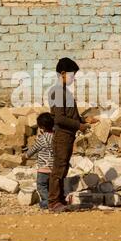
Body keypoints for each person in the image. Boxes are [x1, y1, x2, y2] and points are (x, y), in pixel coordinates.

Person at [47, 57, 97, 212]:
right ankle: (54, 202)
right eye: (72, 75)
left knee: (63, 168)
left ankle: (60, 200)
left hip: (68, 135)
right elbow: (60, 118)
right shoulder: (57, 92)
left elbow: (69, 115)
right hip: (62, 135)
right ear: (63, 73)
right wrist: (79, 125)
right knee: (59, 168)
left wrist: (84, 119)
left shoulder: (64, 91)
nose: (73, 79)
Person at [24, 112, 55, 209]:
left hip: (43, 169)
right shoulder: (56, 137)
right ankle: (54, 201)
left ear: (41, 126)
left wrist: (25, 156)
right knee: (51, 187)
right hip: (54, 168)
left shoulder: (41, 139)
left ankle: (47, 202)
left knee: (41, 187)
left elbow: (33, 150)